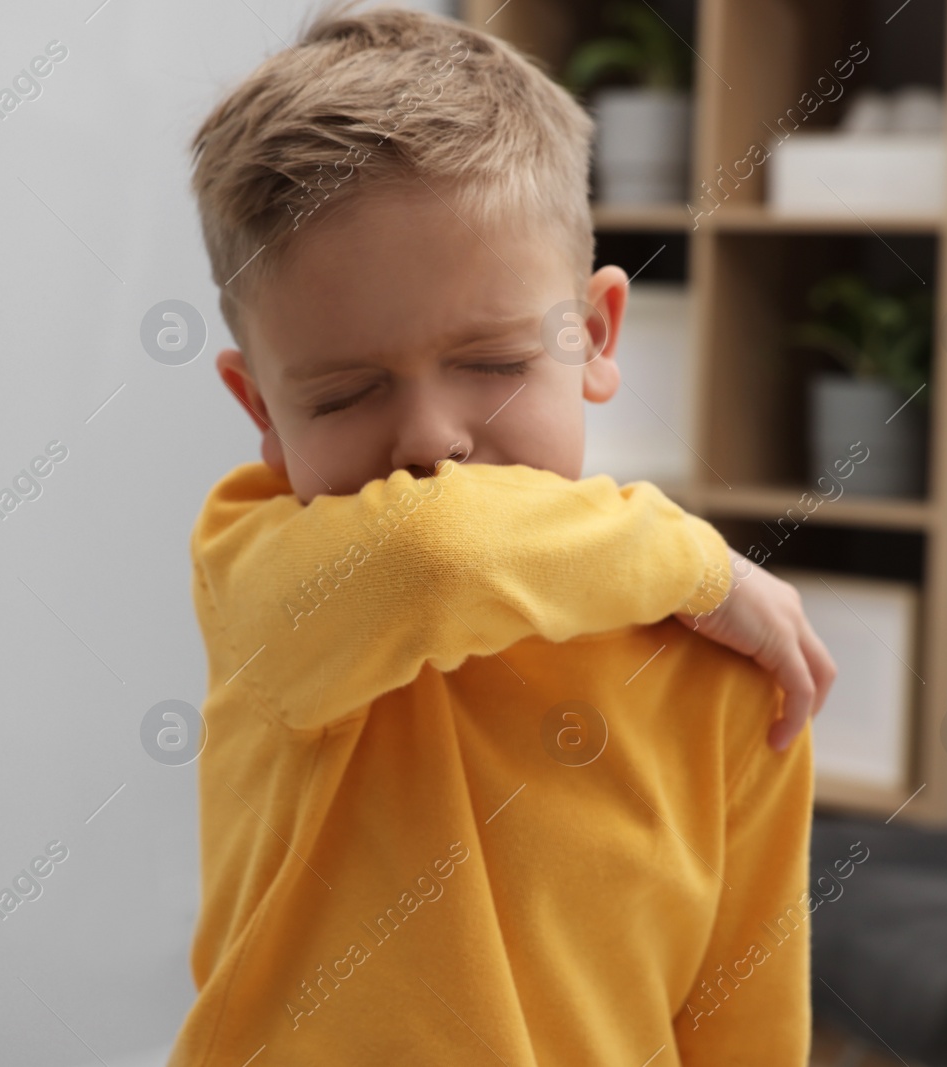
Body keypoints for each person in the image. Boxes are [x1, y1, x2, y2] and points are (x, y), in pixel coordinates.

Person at [169, 4, 836, 1062]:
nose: (430, 440)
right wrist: (699, 560)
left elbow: (742, 1015)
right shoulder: (260, 563)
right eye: (344, 394)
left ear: (598, 332)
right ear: (263, 416)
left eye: (488, 363)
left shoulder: (722, 668)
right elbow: (432, 555)